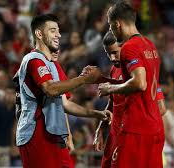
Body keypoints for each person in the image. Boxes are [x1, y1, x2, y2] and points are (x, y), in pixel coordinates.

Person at [16, 14, 110, 168]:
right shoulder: (33, 60)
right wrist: (83, 79)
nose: (58, 35)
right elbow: (50, 90)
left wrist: (95, 114)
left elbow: (64, 104)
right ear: (39, 34)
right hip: (35, 135)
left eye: (58, 31)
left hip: (56, 135)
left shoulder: (54, 65)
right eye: (53, 30)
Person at [96, 2, 164, 167]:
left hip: (136, 128)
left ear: (117, 24)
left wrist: (108, 87)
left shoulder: (129, 47)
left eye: (111, 27)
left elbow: (140, 83)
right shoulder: (150, 46)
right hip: (155, 128)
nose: (111, 30)